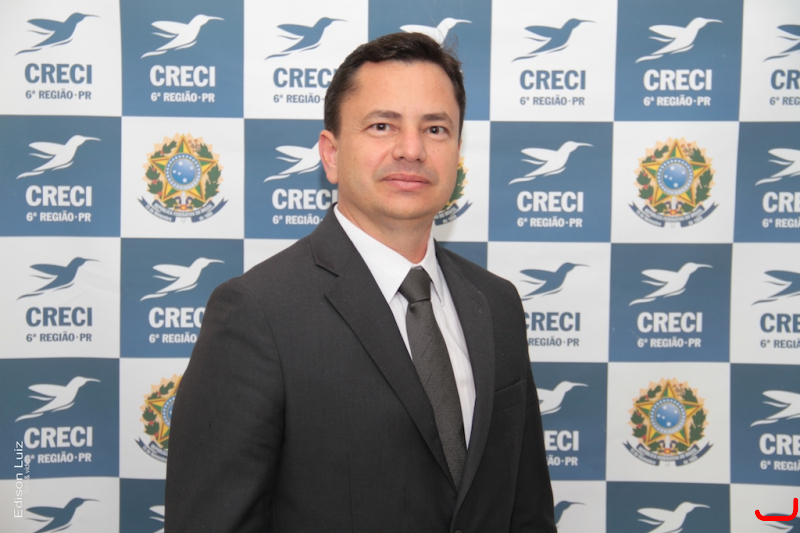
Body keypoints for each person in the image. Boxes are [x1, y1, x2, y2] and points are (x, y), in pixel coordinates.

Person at [165, 32, 556, 532]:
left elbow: (527, 511)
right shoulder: (256, 314)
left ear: (458, 152)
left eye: (436, 129)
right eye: (382, 125)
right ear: (330, 154)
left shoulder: (497, 303)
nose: (412, 149)